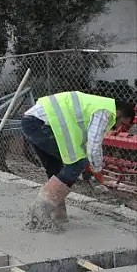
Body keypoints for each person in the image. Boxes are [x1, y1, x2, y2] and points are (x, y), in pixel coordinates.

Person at [22, 91, 135, 224]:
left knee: (56, 168)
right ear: (119, 113)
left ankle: (57, 215)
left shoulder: (95, 103)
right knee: (77, 163)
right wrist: (97, 169)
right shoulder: (104, 111)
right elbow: (93, 145)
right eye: (122, 122)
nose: (120, 127)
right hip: (42, 125)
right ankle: (39, 212)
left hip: (32, 121)